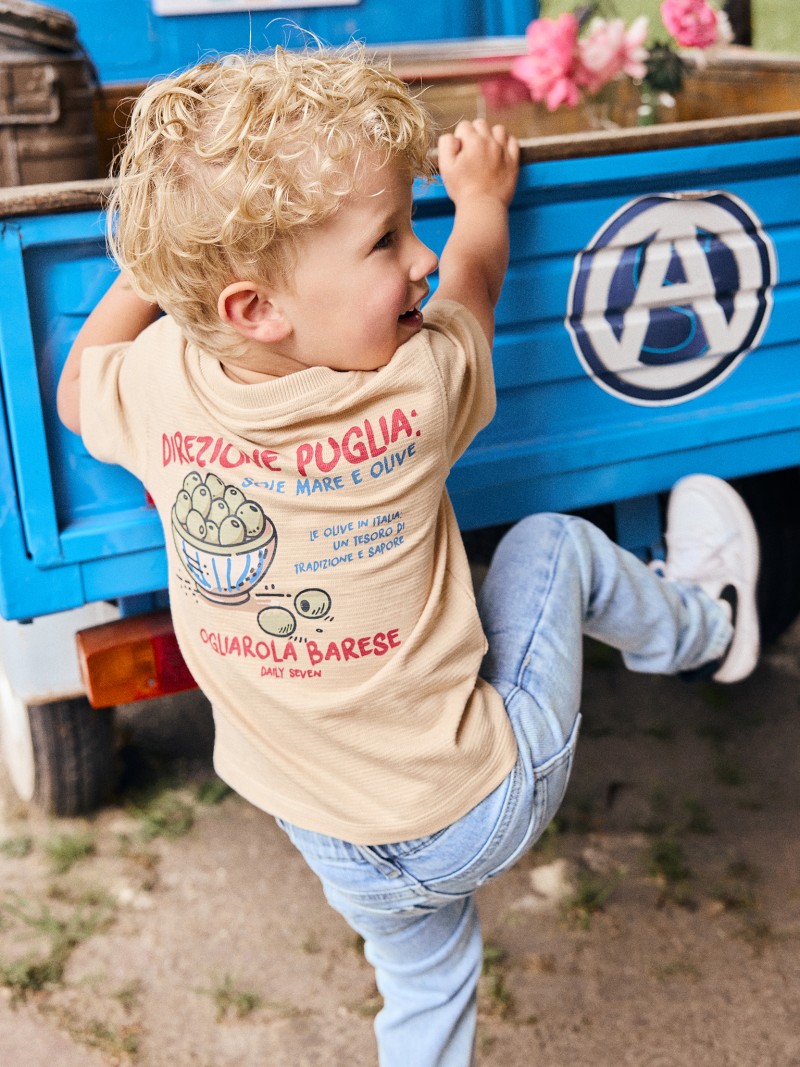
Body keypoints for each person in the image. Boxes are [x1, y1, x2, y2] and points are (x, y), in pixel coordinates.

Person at [57, 46, 760, 1067]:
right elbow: (473, 282)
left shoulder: (158, 386)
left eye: (417, 226)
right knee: (551, 542)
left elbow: (79, 383)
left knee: (425, 983)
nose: (421, 257)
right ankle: (706, 625)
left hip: (327, 832)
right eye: (388, 238)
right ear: (256, 306)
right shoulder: (412, 385)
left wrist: (154, 272)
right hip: (478, 801)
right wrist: (479, 198)